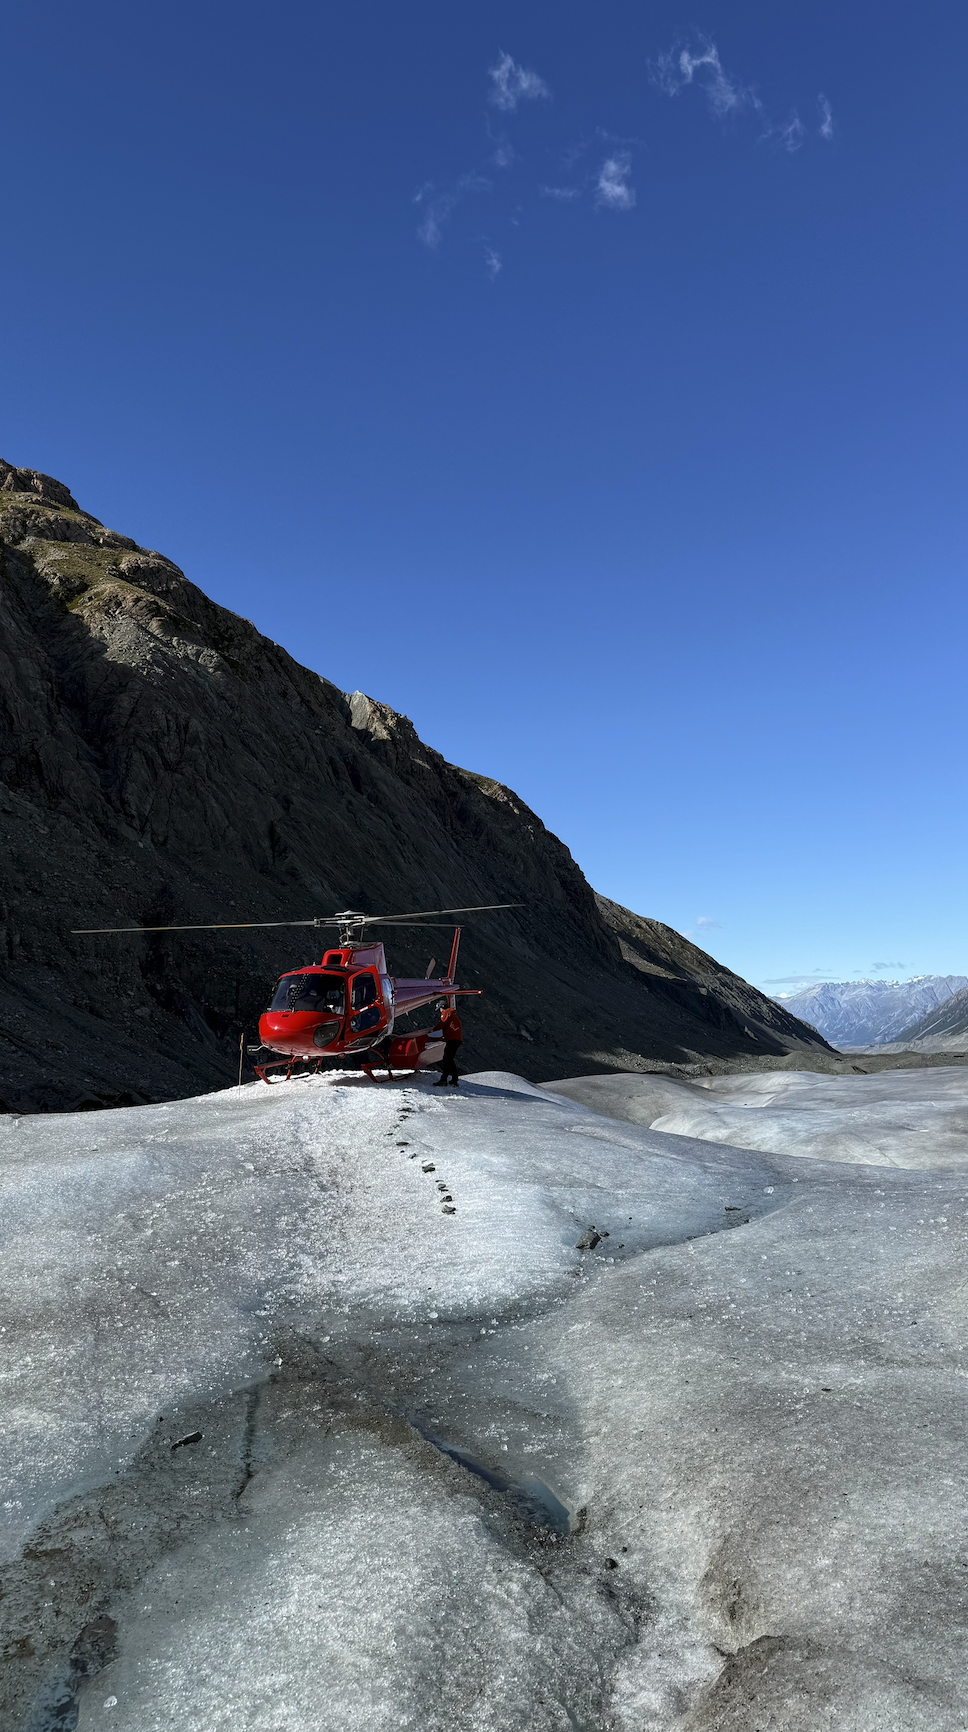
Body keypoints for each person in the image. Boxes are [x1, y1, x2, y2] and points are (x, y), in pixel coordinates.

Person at [434, 1004, 462, 1087]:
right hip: (457, 1039)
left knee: (446, 1059)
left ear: (442, 1008)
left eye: (440, 1009)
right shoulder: (452, 1014)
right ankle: (454, 1079)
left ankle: (444, 1080)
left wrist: (433, 1030)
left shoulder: (446, 1013)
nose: (440, 1011)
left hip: (452, 1039)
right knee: (449, 1059)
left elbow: (442, 1024)